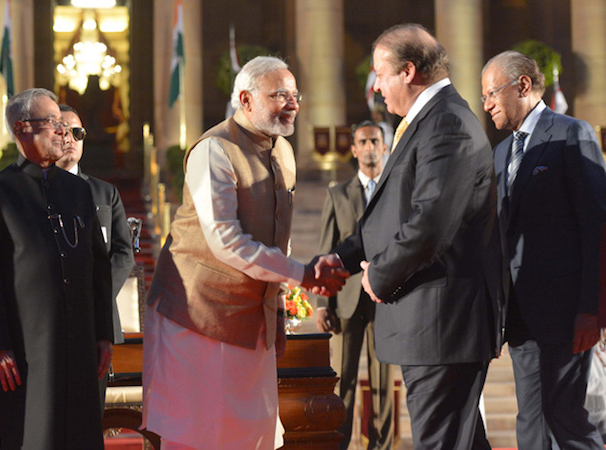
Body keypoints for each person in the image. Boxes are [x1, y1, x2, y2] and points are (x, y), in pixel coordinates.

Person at [141, 56, 348, 449]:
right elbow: (225, 239)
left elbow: (278, 236)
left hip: (253, 318)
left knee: (252, 434)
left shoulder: (283, 151)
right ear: (245, 99)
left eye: (295, 95)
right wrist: (302, 274)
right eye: (279, 95)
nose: (292, 103)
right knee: (197, 435)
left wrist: (278, 308)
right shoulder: (214, 149)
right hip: (198, 316)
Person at [314, 24, 503, 449]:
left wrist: (378, 275)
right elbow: (388, 217)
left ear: (408, 71)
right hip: (432, 325)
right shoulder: (422, 123)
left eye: (380, 74)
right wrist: (341, 260)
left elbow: (431, 223)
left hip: (442, 325)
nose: (376, 86)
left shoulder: (448, 124)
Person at [0, 88, 113, 449]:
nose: (63, 131)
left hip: (81, 343)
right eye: (53, 122)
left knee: (81, 434)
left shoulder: (80, 190)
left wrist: (104, 334)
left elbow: (98, 266)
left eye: (64, 123)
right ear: (22, 128)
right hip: (25, 348)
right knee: (32, 433)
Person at [481, 50, 606, 450]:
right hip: (520, 318)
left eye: (491, 94)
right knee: (531, 422)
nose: (486, 105)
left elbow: (597, 227)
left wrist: (591, 310)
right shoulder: (500, 153)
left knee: (564, 418)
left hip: (567, 316)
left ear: (522, 85)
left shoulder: (572, 134)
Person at [315, 120, 394, 449]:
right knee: (343, 382)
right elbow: (326, 249)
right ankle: (340, 445)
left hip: (386, 300)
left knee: (383, 385)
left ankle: (382, 447)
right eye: (363, 142)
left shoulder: (395, 191)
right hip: (346, 301)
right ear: (354, 149)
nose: (369, 147)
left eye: (375, 141)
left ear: (385, 147)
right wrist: (322, 304)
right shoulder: (338, 194)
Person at [56, 103, 135, 409]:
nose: (70, 139)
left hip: (95, 323)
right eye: (63, 131)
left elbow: (123, 254)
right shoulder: (34, 192)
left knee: (90, 413)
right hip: (51, 318)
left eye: (77, 133)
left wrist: (95, 296)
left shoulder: (105, 193)